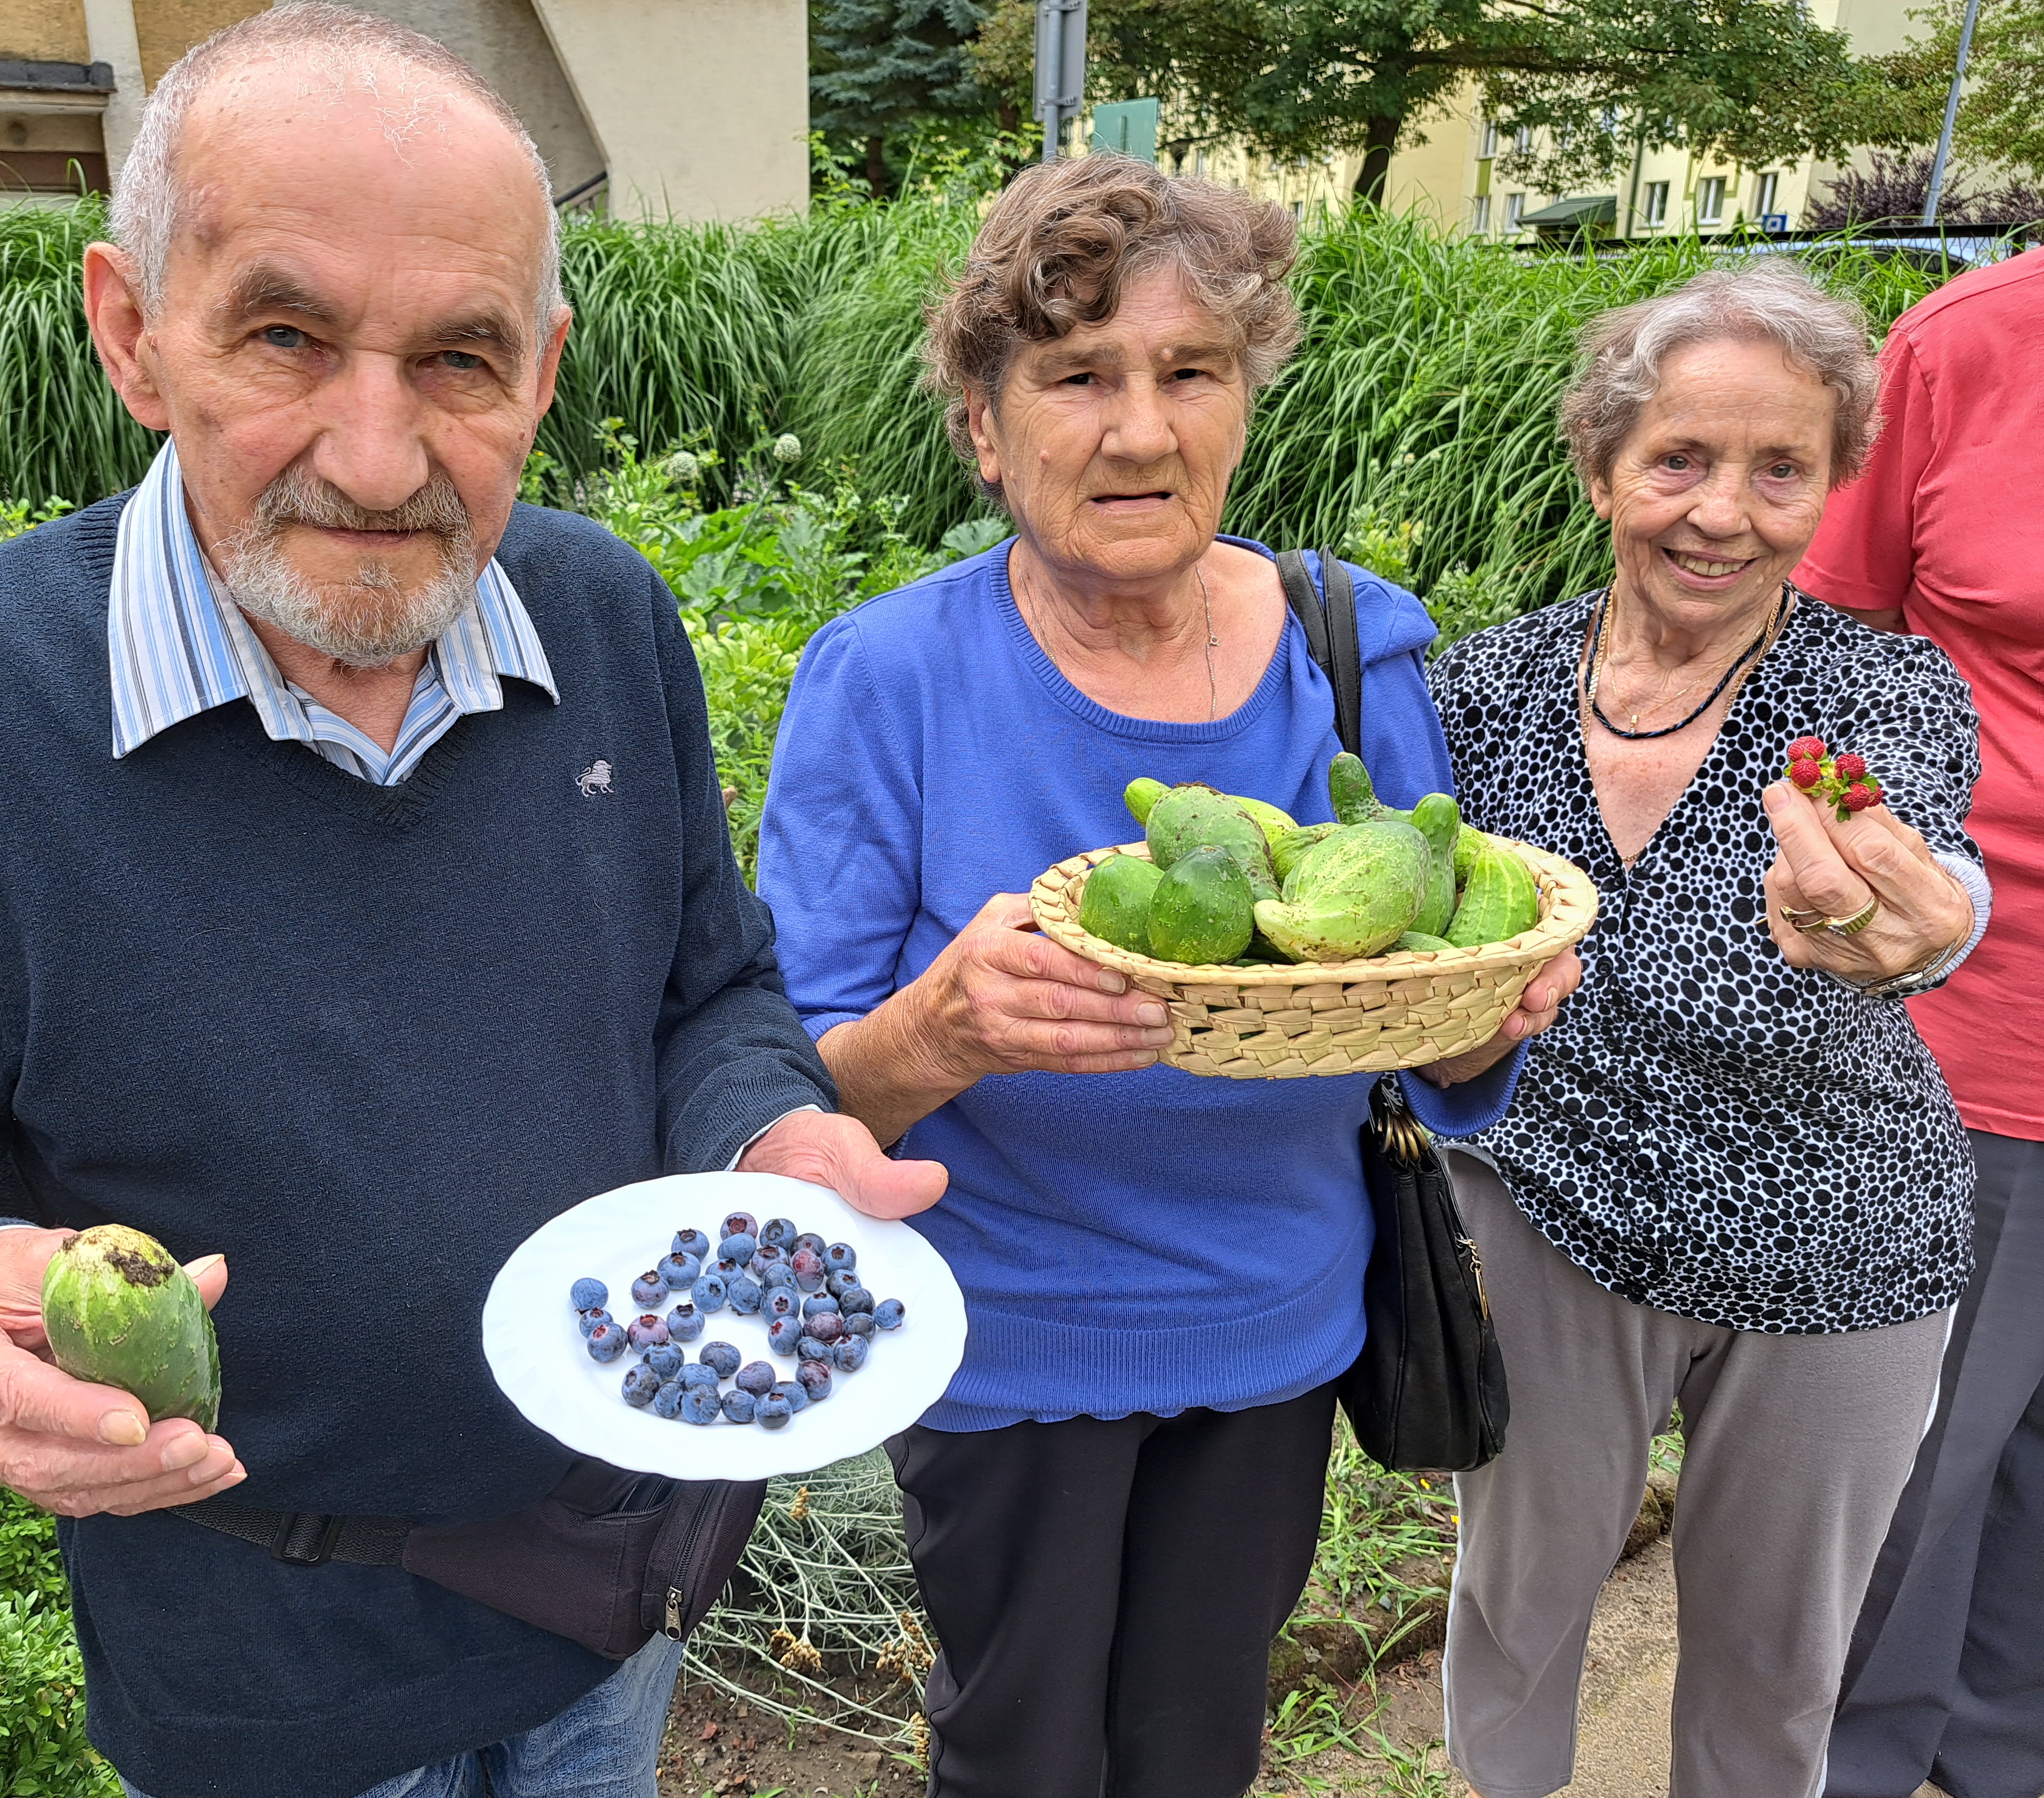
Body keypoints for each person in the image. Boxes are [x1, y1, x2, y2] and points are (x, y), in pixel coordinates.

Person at [0, 10, 939, 1798]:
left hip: (608, 1599)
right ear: (135, 336)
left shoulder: (607, 624)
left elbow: (708, 987)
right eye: (286, 336)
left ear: (542, 367)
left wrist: (772, 1131)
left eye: (460, 358)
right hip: (256, 1679)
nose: (379, 461)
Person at [754, 154, 1580, 1798]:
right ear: (986, 429)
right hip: (1005, 1340)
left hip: (1270, 1321)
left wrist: (1497, 1012)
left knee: (1201, 1746)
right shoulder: (888, 680)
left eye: (1190, 371)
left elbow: (1439, 1014)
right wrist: (943, 1025)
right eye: (1077, 376)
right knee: (1018, 1749)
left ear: (1243, 404)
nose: (1141, 428)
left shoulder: (1358, 647)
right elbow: (791, 1075)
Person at [1426, 259, 1991, 1798]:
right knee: (1513, 1611)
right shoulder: (1478, 693)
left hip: (1838, 1238)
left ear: (1830, 485)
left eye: (1777, 469)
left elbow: (1896, 861)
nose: (1721, 512)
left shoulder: (1869, 697)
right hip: (1555, 1211)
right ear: (1603, 461)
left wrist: (1908, 921)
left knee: (1772, 1660)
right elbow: (1431, 960)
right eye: (1678, 457)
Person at [1800, 246, 2044, 1798]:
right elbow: (1811, 662)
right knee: (1903, 1489)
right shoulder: (1972, 345)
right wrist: (1869, 900)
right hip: (1968, 1042)